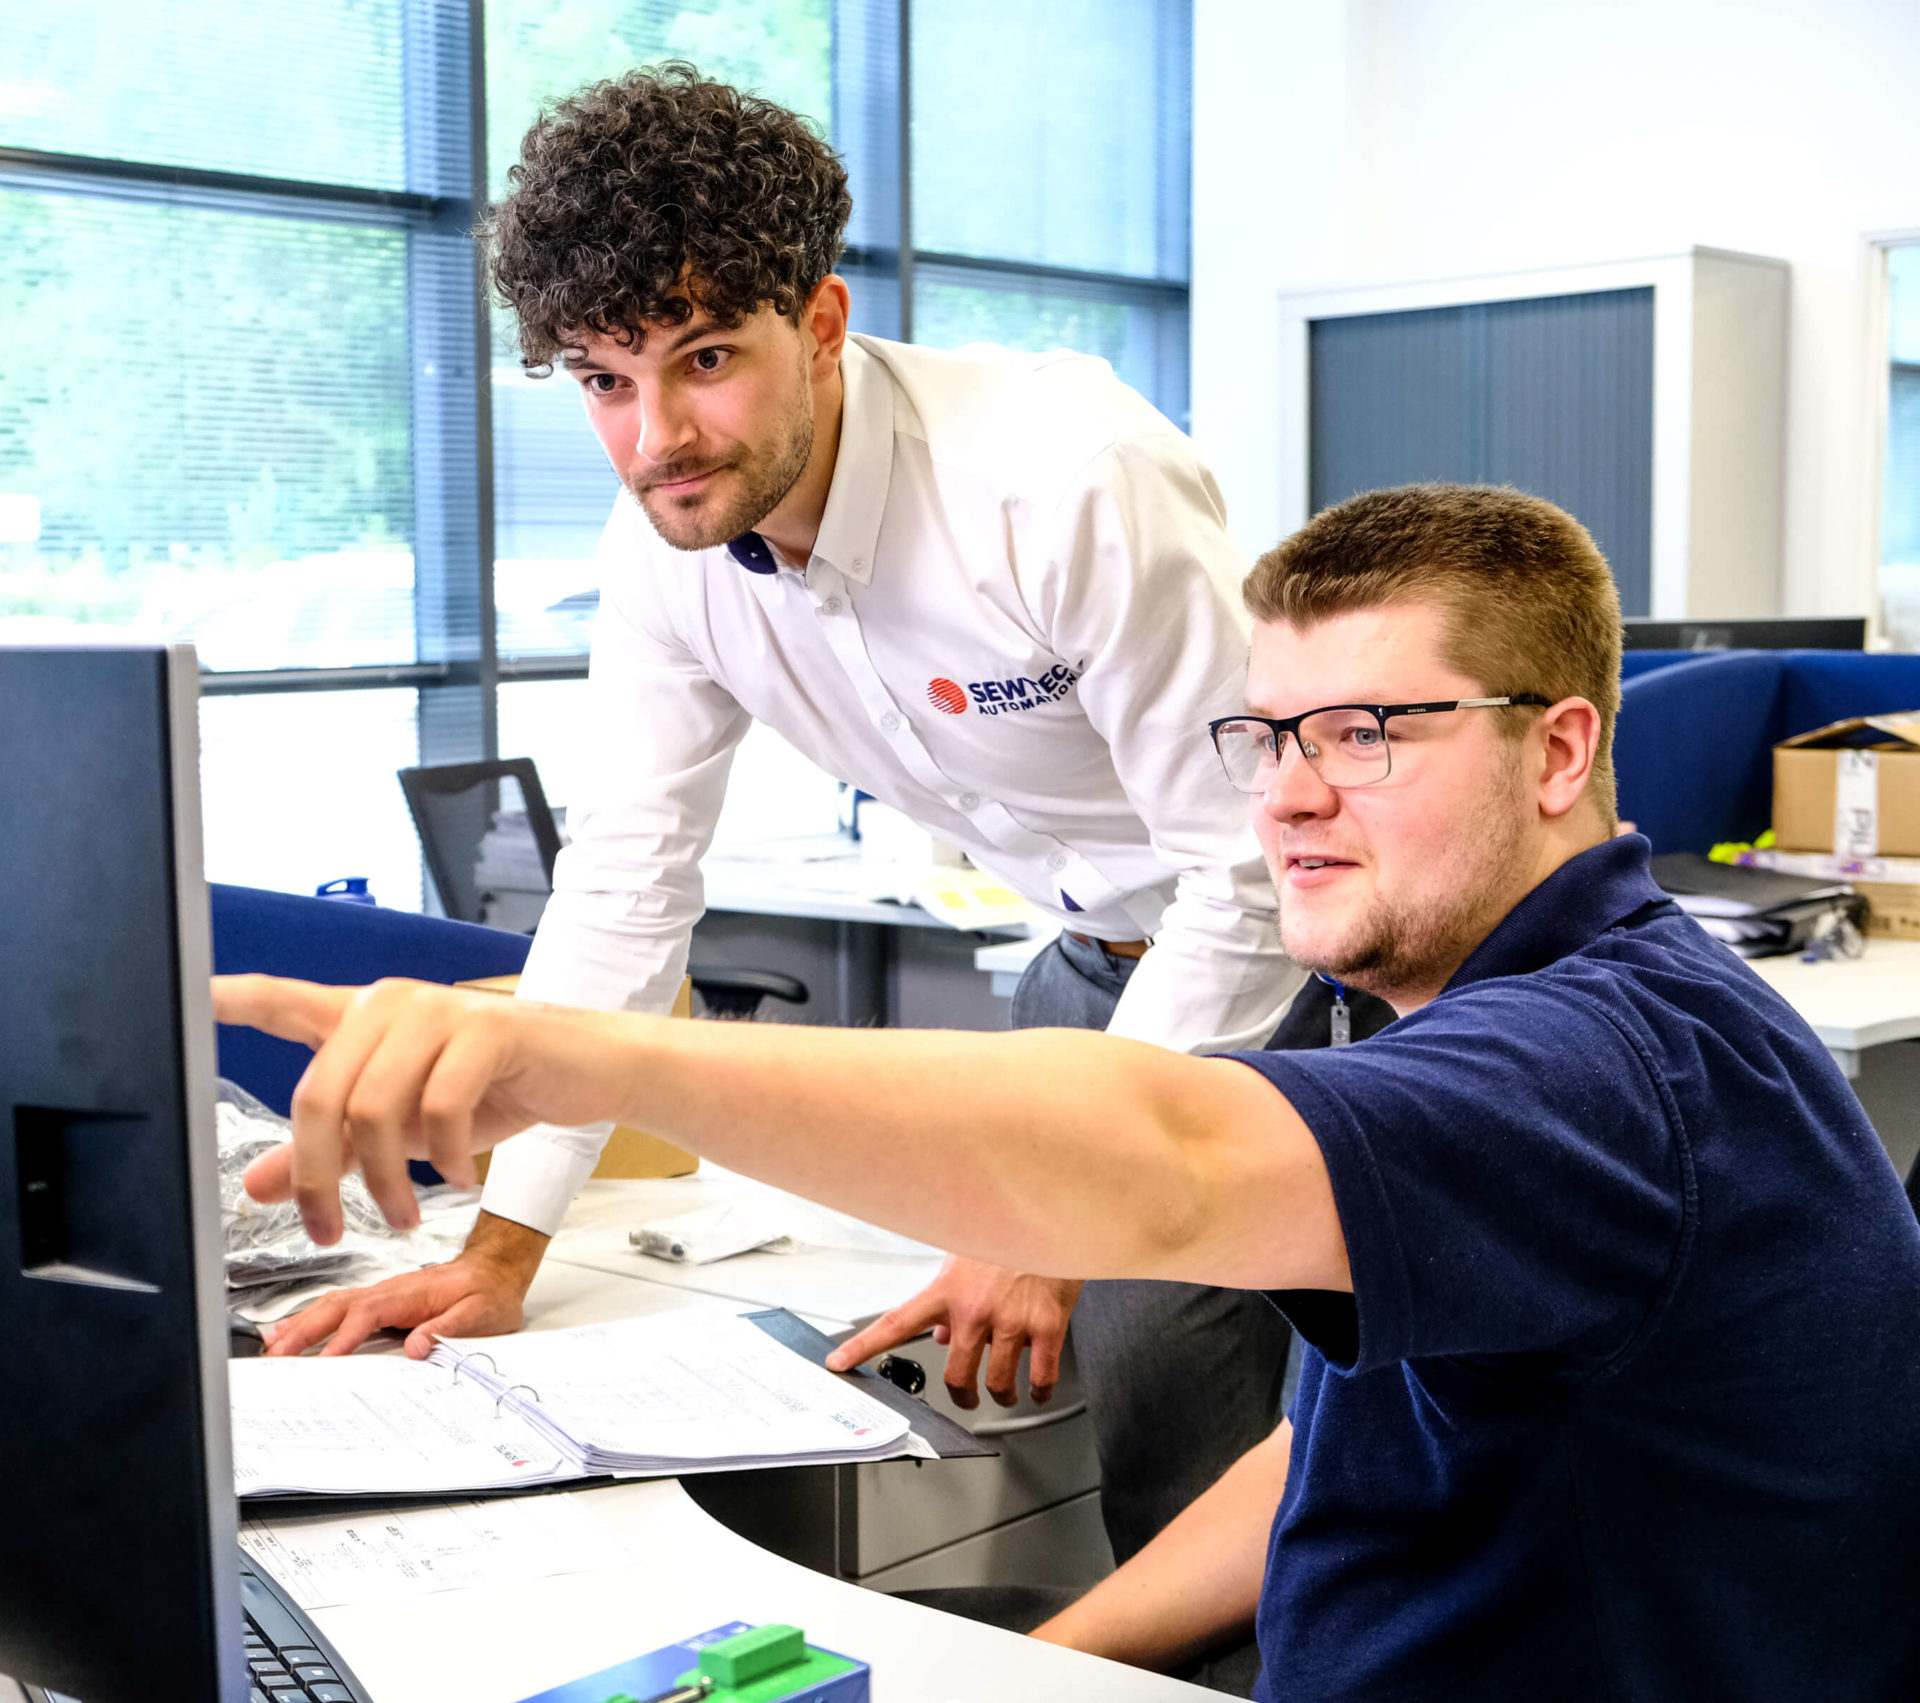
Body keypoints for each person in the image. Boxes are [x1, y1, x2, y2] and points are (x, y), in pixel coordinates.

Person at [218, 484, 1920, 1698]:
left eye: (1371, 733)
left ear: (1557, 752)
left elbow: (1164, 1154)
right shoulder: (1471, 1011)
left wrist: (570, 1050)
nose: (1292, 801)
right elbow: (1347, 1454)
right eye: (1270, 739)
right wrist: (1042, 1664)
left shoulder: (1605, 1066)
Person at [264, 61, 1305, 1565]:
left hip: (1304, 978)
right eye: (604, 382)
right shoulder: (667, 560)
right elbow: (624, 886)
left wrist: (1052, 1220)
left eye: (703, 359)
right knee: (1035, 1398)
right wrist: (502, 1250)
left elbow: (1247, 871)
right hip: (1081, 978)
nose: (653, 439)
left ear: (818, 322)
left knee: (1194, 1441)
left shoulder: (1062, 479)